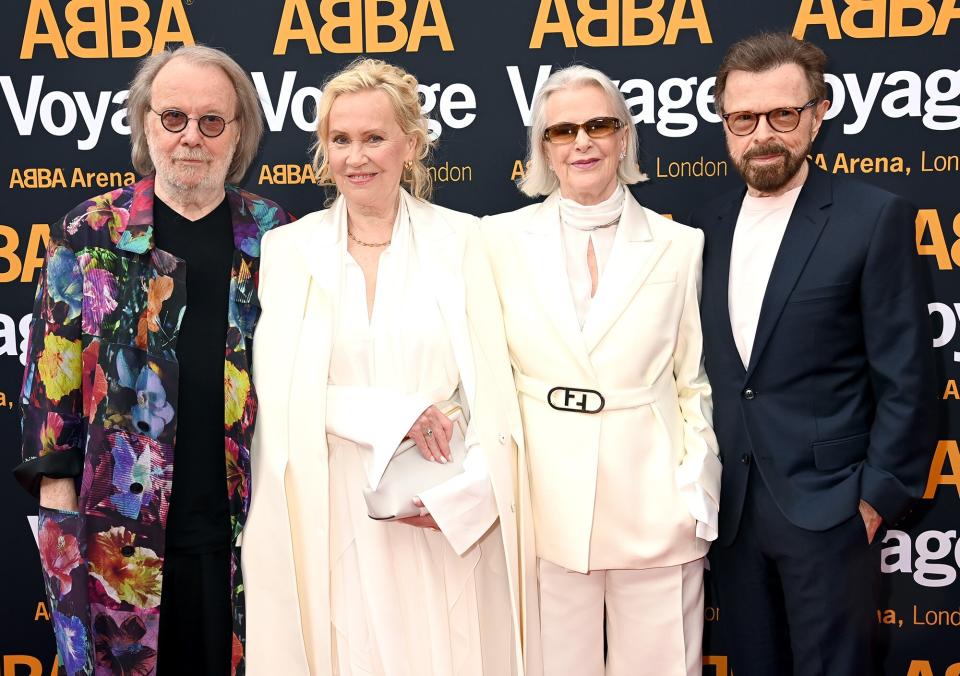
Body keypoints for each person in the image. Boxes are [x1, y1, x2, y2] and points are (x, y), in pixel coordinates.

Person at [241, 58, 539, 676]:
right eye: (340, 140)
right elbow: (282, 390)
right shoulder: (287, 250)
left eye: (374, 137)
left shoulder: (467, 240)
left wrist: (470, 495)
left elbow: (495, 389)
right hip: (331, 505)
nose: (357, 157)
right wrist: (396, 413)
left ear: (411, 142)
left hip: (439, 501)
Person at [13, 45, 293, 676]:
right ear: (144, 123)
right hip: (118, 553)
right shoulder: (90, 235)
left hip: (250, 545)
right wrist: (61, 545)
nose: (191, 137)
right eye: (173, 118)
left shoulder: (276, 237)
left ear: (239, 131)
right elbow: (48, 409)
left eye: (211, 121)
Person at [690, 32, 937, 676]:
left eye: (783, 115)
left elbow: (908, 376)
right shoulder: (701, 227)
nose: (762, 134)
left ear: (818, 113)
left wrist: (874, 498)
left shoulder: (872, 217)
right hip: (732, 513)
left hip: (830, 513)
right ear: (724, 120)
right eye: (743, 118)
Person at [482, 65, 721, 676]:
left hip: (655, 503)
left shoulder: (681, 245)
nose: (582, 141)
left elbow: (693, 381)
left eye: (599, 125)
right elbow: (482, 373)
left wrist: (694, 488)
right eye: (563, 130)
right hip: (543, 507)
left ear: (624, 137)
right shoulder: (494, 242)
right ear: (544, 148)